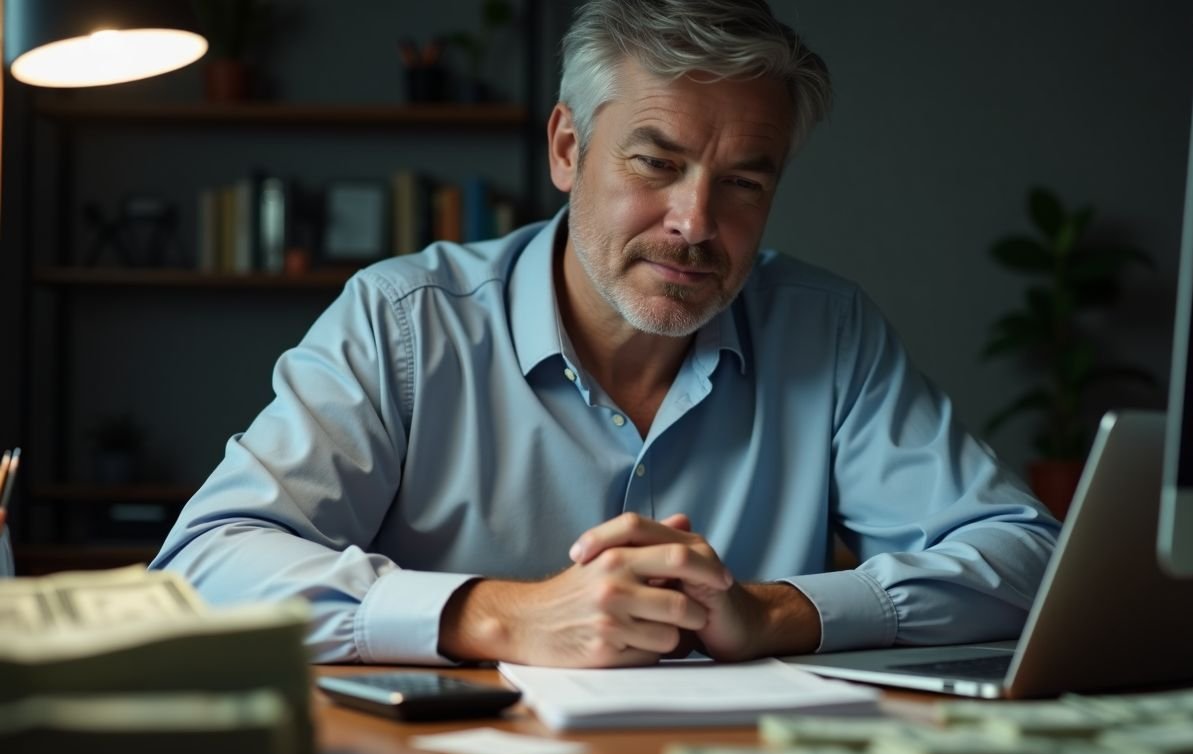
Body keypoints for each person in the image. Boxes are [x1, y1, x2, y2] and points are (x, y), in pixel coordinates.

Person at [152, 0, 1060, 668]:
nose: (696, 222)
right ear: (565, 149)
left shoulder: (828, 331)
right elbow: (205, 566)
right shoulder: (404, 322)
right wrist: (497, 616)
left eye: (745, 181)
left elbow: (1028, 561)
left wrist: (773, 612)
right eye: (657, 163)